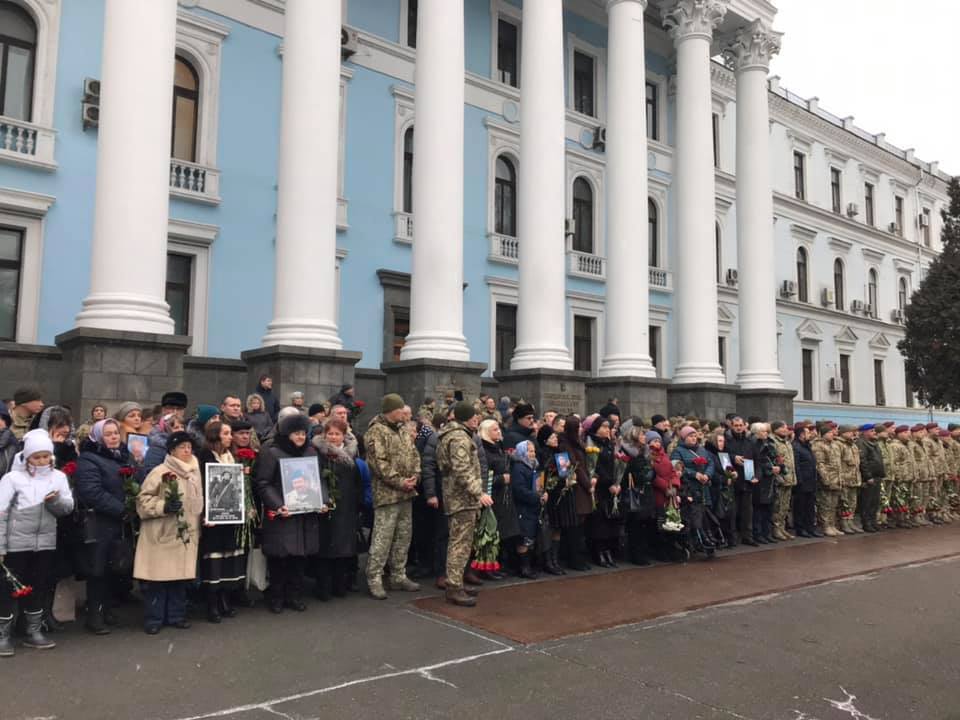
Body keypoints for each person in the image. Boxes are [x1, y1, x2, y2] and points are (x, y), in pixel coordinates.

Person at [0, 429, 74, 655]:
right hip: (15, 544)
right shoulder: (12, 478)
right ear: (27, 457)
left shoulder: (59, 477)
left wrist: (55, 501)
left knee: (38, 586)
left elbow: (67, 509)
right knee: (8, 589)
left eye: (45, 456)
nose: (42, 461)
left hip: (45, 543)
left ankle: (33, 630)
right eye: (36, 456)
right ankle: (3, 634)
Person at [135, 431, 204, 634]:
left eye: (189, 447)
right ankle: (154, 618)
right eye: (182, 447)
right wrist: (163, 506)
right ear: (172, 450)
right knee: (158, 579)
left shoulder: (194, 472)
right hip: (162, 533)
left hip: (185, 533)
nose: (187, 451)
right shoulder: (160, 471)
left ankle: (176, 615)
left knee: (179, 579)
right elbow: (143, 501)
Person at [255, 414, 324, 613]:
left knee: (299, 559)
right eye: (296, 433)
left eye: (303, 433)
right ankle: (276, 597)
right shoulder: (272, 452)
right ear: (286, 434)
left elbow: (319, 481)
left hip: (304, 514)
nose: (301, 437)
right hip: (283, 515)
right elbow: (263, 483)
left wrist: (323, 501)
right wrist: (277, 505)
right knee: (279, 559)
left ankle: (294, 596)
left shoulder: (311, 451)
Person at [75, 418, 133, 635]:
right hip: (100, 523)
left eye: (116, 433)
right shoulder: (90, 459)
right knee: (97, 570)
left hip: (119, 522)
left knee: (113, 568)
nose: (114, 437)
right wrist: (120, 508)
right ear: (98, 436)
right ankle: (94, 616)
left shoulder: (123, 457)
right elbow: (91, 492)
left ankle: (106, 610)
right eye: (108, 434)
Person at [364, 394, 421, 600]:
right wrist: (399, 481)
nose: (404, 414)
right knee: (382, 538)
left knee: (403, 536)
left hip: (406, 493)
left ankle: (398, 575)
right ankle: (374, 578)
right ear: (391, 410)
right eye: (400, 410)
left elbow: (414, 454)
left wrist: (416, 475)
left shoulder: (403, 430)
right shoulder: (375, 432)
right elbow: (379, 463)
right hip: (388, 494)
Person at [436, 401, 490, 607]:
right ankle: (454, 588)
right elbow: (462, 470)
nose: (477, 419)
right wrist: (479, 493)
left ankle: (456, 582)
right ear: (467, 417)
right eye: (474, 417)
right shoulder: (459, 437)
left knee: (461, 543)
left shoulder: (454, 434)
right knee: (459, 544)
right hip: (462, 499)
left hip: (460, 498)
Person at [196, 421, 246, 623]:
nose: (230, 436)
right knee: (213, 561)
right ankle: (212, 603)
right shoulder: (205, 457)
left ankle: (225, 599)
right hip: (213, 517)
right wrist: (205, 513)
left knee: (228, 558)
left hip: (229, 515)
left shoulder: (230, 456)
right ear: (215, 435)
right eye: (226, 433)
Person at [311, 418, 362, 600]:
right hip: (325, 506)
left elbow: (357, 482)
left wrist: (356, 504)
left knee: (343, 548)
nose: (333, 437)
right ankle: (323, 587)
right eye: (330, 433)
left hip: (346, 506)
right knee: (325, 548)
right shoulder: (318, 453)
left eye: (337, 434)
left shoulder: (352, 454)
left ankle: (340, 585)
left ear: (343, 436)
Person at [479, 419, 520, 575]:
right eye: (495, 430)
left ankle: (498, 565)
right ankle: (487, 567)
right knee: (490, 533)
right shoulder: (484, 450)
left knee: (502, 533)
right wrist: (501, 479)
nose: (499, 432)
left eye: (498, 429)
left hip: (504, 496)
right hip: (492, 496)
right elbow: (483, 476)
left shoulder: (498, 448)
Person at [556, 416, 594, 571]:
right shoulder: (565, 445)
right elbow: (574, 467)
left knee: (580, 527)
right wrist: (587, 484)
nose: (580, 429)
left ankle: (579, 557)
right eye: (578, 427)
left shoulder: (577, 443)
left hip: (583, 488)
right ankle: (574, 559)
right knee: (574, 527)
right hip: (576, 489)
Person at [671, 426, 715, 558]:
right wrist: (694, 474)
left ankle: (705, 539)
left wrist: (707, 474)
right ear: (684, 438)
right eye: (690, 436)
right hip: (689, 488)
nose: (693, 438)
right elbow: (677, 468)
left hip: (703, 487)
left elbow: (710, 463)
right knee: (691, 516)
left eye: (695, 436)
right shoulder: (678, 451)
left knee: (703, 514)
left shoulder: (702, 450)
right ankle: (693, 542)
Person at [585, 415, 621, 568]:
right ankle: (599, 552)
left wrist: (617, 482)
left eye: (609, 427)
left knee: (609, 520)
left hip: (611, 488)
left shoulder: (610, 444)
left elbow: (616, 465)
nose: (607, 430)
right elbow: (595, 467)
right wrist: (609, 482)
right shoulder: (591, 443)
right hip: (599, 487)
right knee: (599, 522)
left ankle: (607, 551)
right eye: (604, 427)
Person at [509, 439, 546, 579]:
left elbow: (539, 485)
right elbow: (519, 490)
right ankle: (524, 568)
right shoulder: (519, 467)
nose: (533, 453)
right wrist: (536, 497)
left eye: (534, 451)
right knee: (524, 538)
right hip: (523, 508)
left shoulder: (534, 466)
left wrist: (543, 493)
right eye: (530, 451)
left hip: (533, 507)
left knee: (530, 536)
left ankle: (528, 565)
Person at [620, 422, 656, 566]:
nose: (644, 436)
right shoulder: (630, 453)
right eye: (641, 434)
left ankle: (642, 552)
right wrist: (649, 473)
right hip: (635, 491)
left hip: (645, 490)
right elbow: (636, 474)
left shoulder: (644, 452)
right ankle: (636, 554)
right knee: (635, 524)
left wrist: (650, 473)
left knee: (644, 523)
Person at [725, 416, 757, 546]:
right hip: (732, 478)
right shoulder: (727, 440)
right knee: (732, 511)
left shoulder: (749, 441)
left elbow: (754, 459)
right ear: (731, 426)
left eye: (740, 425)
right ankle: (732, 537)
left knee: (747, 511)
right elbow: (722, 456)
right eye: (736, 425)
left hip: (747, 478)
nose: (738, 428)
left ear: (745, 426)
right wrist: (733, 458)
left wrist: (754, 476)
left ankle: (747, 536)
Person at [811, 423, 843, 537]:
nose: (832, 434)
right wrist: (826, 479)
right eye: (829, 433)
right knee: (825, 504)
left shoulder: (835, 445)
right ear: (823, 434)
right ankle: (825, 526)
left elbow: (839, 463)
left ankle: (832, 524)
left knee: (834, 504)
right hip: (827, 479)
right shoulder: (818, 446)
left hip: (837, 478)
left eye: (832, 432)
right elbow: (820, 464)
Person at [751, 422, 780, 544]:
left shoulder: (769, 444)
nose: (766, 433)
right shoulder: (753, 445)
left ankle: (767, 533)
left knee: (769, 509)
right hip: (760, 480)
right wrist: (769, 468)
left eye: (766, 431)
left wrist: (779, 466)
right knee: (759, 509)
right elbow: (758, 462)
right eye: (763, 431)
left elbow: (775, 458)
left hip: (770, 481)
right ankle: (758, 534)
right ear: (756, 433)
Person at [791, 423, 821, 538]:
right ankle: (800, 528)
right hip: (802, 482)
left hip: (811, 481)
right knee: (800, 507)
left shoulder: (807, 446)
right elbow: (797, 465)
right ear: (801, 434)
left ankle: (810, 527)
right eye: (807, 432)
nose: (810, 434)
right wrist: (799, 481)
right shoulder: (796, 446)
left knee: (810, 507)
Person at [770, 421, 798, 541]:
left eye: (786, 428)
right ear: (775, 429)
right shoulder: (773, 442)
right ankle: (776, 529)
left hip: (789, 478)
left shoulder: (787, 442)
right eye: (782, 428)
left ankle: (782, 528)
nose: (785, 430)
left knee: (785, 506)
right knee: (778, 506)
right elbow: (775, 460)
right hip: (780, 479)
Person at [856, 424, 885, 533]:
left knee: (875, 501)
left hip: (877, 476)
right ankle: (866, 523)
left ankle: (873, 521)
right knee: (867, 502)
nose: (874, 433)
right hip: (869, 478)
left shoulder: (874, 443)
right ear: (865, 432)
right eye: (872, 431)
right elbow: (863, 462)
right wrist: (868, 476)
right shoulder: (861, 443)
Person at [836, 425, 862, 534]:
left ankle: (850, 522)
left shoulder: (853, 446)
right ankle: (843, 523)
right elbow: (837, 464)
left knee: (852, 503)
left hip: (854, 478)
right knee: (844, 503)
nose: (853, 434)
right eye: (851, 432)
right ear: (843, 433)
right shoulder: (839, 445)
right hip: (845, 479)